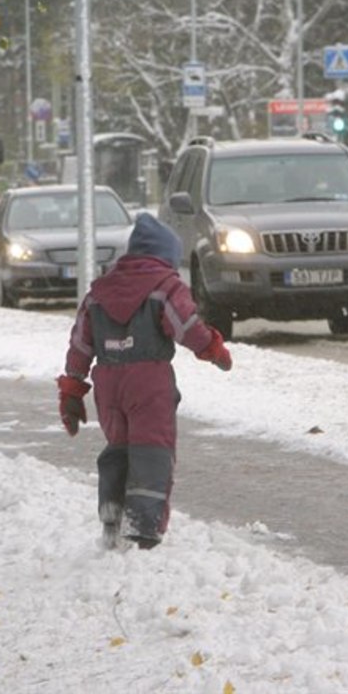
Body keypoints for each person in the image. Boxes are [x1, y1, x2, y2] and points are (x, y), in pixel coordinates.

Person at [57, 213, 233, 550]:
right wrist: (213, 349)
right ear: (164, 256)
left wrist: (72, 388)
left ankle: (112, 506)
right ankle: (143, 526)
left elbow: (80, 342)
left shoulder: (99, 293)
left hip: (108, 382)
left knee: (119, 446)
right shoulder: (165, 286)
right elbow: (187, 326)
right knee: (152, 449)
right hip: (148, 379)